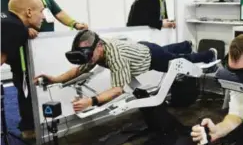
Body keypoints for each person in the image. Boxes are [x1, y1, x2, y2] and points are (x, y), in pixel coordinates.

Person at [34, 30, 217, 112]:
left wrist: (91, 100)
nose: (89, 61)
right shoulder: (95, 50)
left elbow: (118, 89)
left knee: (181, 61)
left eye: (90, 56)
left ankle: (208, 54)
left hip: (151, 57)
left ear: (99, 47)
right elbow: (77, 70)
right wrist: (54, 79)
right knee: (166, 50)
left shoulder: (115, 57)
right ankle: (185, 44)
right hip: (142, 48)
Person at [1, 0, 45, 139]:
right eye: (41, 11)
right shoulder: (14, 27)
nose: (43, 16)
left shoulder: (8, 20)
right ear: (28, 12)